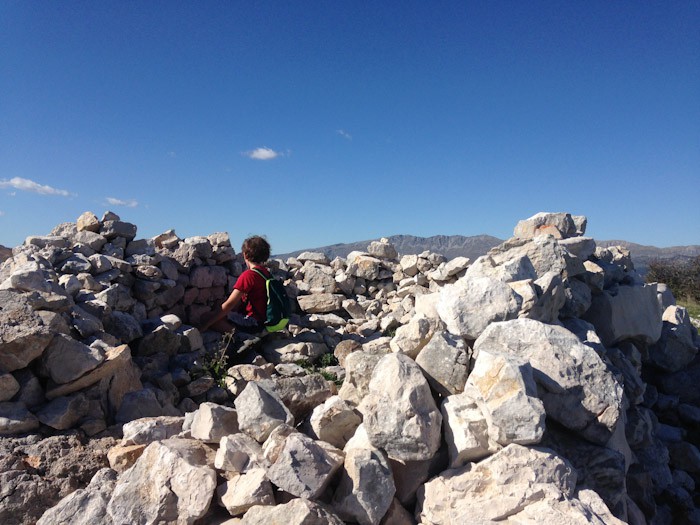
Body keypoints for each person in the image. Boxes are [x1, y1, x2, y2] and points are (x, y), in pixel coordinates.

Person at [199, 235, 272, 334]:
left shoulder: (249, 275)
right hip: (266, 321)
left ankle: (242, 336)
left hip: (253, 322)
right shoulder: (266, 274)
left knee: (206, 317)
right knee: (218, 312)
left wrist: (207, 324)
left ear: (245, 255)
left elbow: (229, 304)